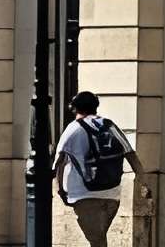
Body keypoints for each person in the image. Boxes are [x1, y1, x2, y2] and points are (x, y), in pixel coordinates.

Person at [52, 91, 145, 247]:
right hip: (112, 194)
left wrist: (60, 189)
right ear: (96, 107)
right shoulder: (109, 125)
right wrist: (142, 181)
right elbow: (131, 155)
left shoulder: (73, 128)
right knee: (99, 239)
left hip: (84, 195)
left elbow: (58, 163)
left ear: (75, 109)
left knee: (97, 241)